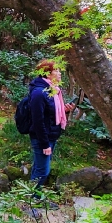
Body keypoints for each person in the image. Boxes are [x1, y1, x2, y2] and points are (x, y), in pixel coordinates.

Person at [28, 60, 73, 189]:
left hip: (51, 136)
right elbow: (38, 120)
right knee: (43, 171)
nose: (60, 74)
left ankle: (31, 198)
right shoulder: (39, 93)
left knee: (39, 168)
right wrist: (44, 143)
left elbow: (50, 113)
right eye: (57, 71)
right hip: (42, 138)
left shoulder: (53, 91)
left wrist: (65, 110)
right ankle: (32, 200)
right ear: (48, 74)